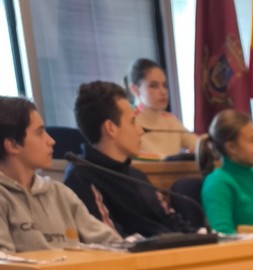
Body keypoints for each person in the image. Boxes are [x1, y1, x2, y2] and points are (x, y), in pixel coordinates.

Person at [64, 81, 206, 239]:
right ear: (111, 128)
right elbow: (112, 241)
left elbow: (170, 220)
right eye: (132, 122)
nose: (140, 131)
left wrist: (201, 237)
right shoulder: (81, 177)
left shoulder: (136, 175)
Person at [0, 96, 125, 253]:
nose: (51, 140)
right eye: (40, 133)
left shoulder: (60, 193)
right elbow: (5, 266)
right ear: (12, 145)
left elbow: (113, 244)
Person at [126, 58, 199, 160]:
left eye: (164, 85)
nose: (163, 91)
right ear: (135, 90)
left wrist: (187, 152)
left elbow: (195, 145)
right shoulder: (128, 120)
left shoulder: (171, 120)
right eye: (154, 86)